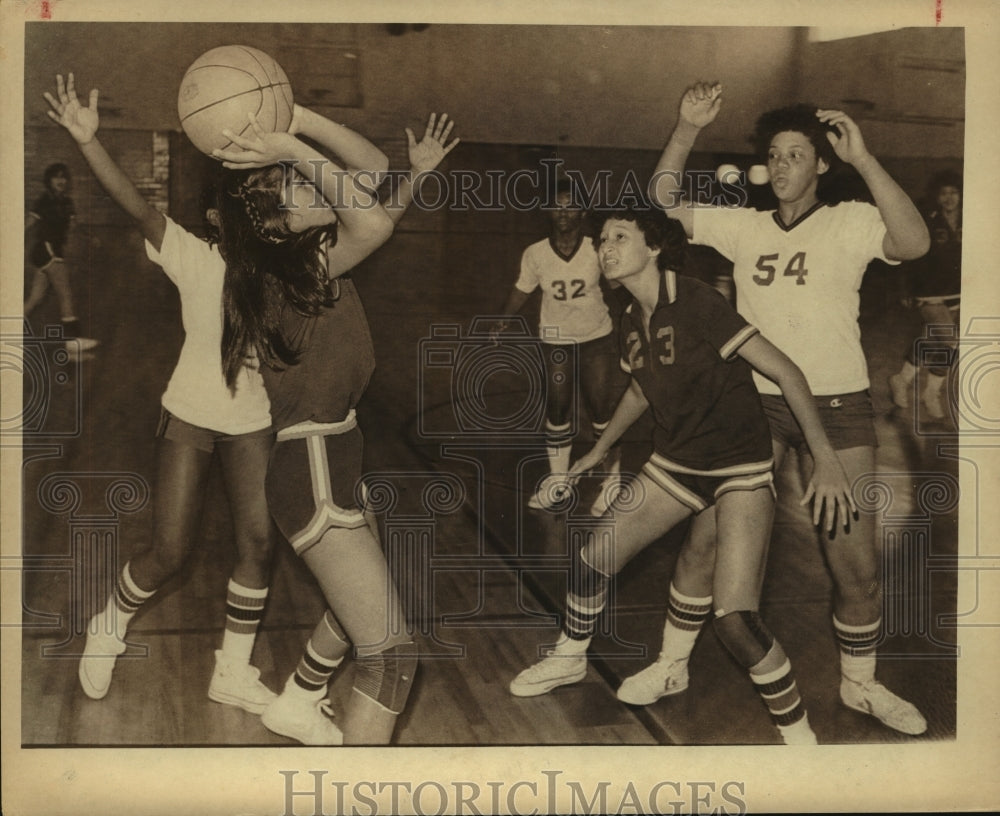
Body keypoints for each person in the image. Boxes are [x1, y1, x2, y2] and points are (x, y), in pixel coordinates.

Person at [640, 82, 931, 736]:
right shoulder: (743, 225)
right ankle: (670, 663)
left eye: (795, 155)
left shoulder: (852, 220)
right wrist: (686, 126)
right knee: (708, 540)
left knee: (853, 564)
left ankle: (860, 686)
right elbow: (660, 205)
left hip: (838, 409)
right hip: (751, 407)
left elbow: (913, 245)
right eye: (773, 155)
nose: (779, 166)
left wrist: (867, 159)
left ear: (821, 165)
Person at [509, 206, 857, 745]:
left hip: (739, 468)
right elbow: (642, 389)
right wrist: (598, 451)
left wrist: (825, 456)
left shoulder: (696, 300)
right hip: (675, 464)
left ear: (653, 248)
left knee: (735, 620)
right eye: (602, 239)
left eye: (619, 237)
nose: (605, 247)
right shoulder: (628, 317)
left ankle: (800, 739)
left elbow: (786, 371)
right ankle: (571, 658)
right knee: (591, 559)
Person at [211, 110, 458, 745]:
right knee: (394, 659)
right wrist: (290, 143)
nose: (319, 187)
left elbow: (372, 181)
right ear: (276, 222)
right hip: (312, 466)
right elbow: (370, 221)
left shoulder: (309, 260)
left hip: (336, 453)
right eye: (299, 186)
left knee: (358, 616)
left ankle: (298, 700)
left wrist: (299, 118)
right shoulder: (281, 280)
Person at [46, 73, 280, 714]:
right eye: (250, 197)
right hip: (189, 415)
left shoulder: (287, 264)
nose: (263, 206)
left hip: (254, 421)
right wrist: (90, 143)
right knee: (170, 551)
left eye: (268, 195)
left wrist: (413, 177)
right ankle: (110, 624)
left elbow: (362, 221)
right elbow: (132, 203)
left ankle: (231, 670)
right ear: (216, 216)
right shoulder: (193, 255)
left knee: (258, 544)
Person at [493, 178, 629, 516]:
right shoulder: (536, 253)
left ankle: (611, 482)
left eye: (570, 205)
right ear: (548, 211)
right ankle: (558, 483)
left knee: (601, 412)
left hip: (596, 338)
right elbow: (522, 289)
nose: (563, 212)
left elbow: (619, 287)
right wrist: (502, 320)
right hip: (555, 340)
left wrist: (638, 322)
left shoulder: (596, 249)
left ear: (582, 211)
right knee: (557, 411)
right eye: (557, 205)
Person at [888, 169, 962, 420]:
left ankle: (902, 379)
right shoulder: (929, 220)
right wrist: (905, 288)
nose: (950, 198)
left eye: (954, 192)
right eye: (944, 193)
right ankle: (931, 392)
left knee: (933, 341)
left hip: (957, 292)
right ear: (937, 196)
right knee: (951, 340)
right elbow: (910, 255)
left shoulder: (971, 220)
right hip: (929, 292)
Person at [24, 161, 100, 354]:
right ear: (49, 180)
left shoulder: (67, 202)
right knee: (65, 293)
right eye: (57, 177)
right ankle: (72, 340)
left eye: (64, 177)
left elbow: (74, 226)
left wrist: (91, 238)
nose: (61, 180)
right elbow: (29, 223)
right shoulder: (43, 201)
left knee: (35, 298)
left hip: (54, 251)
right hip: (46, 251)